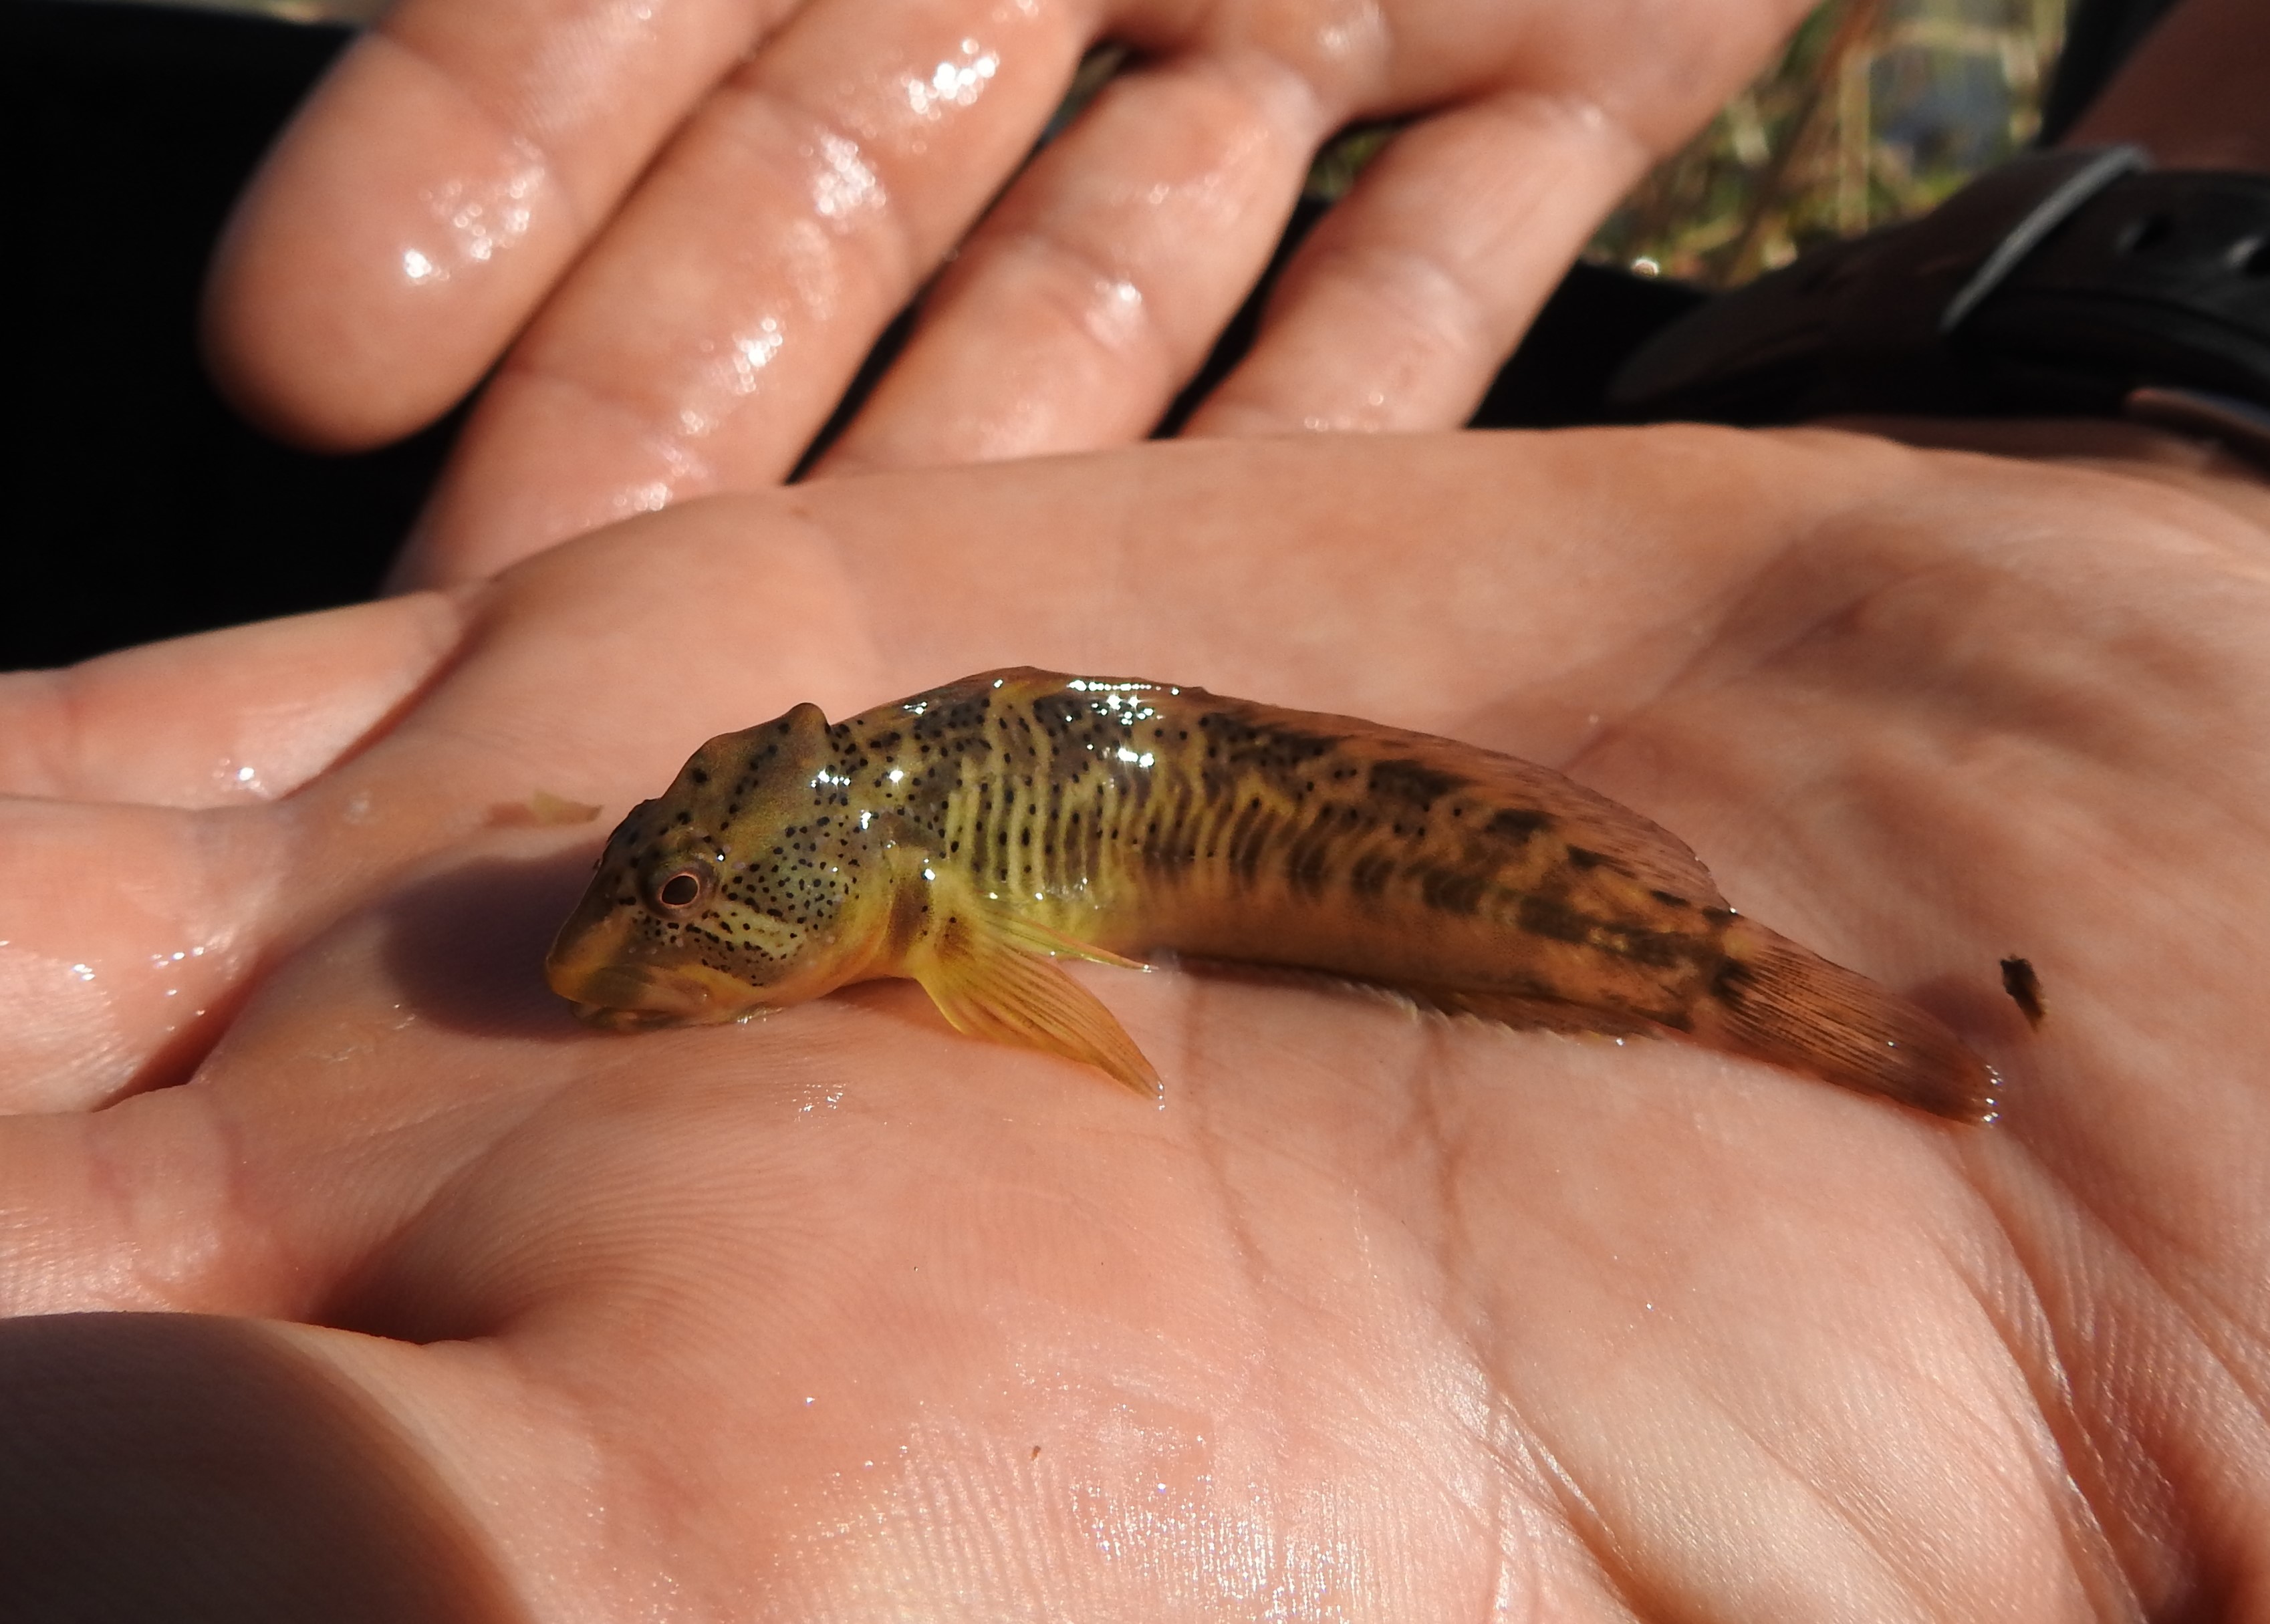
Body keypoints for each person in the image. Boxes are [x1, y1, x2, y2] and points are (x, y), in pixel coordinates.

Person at [3, 0, 2267, 1616]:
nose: (644, 954)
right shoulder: (822, 845)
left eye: (701, 914)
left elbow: (1015, 986)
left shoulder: (915, 882)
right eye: (667, 905)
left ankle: (1734, 989)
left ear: (882, 896)